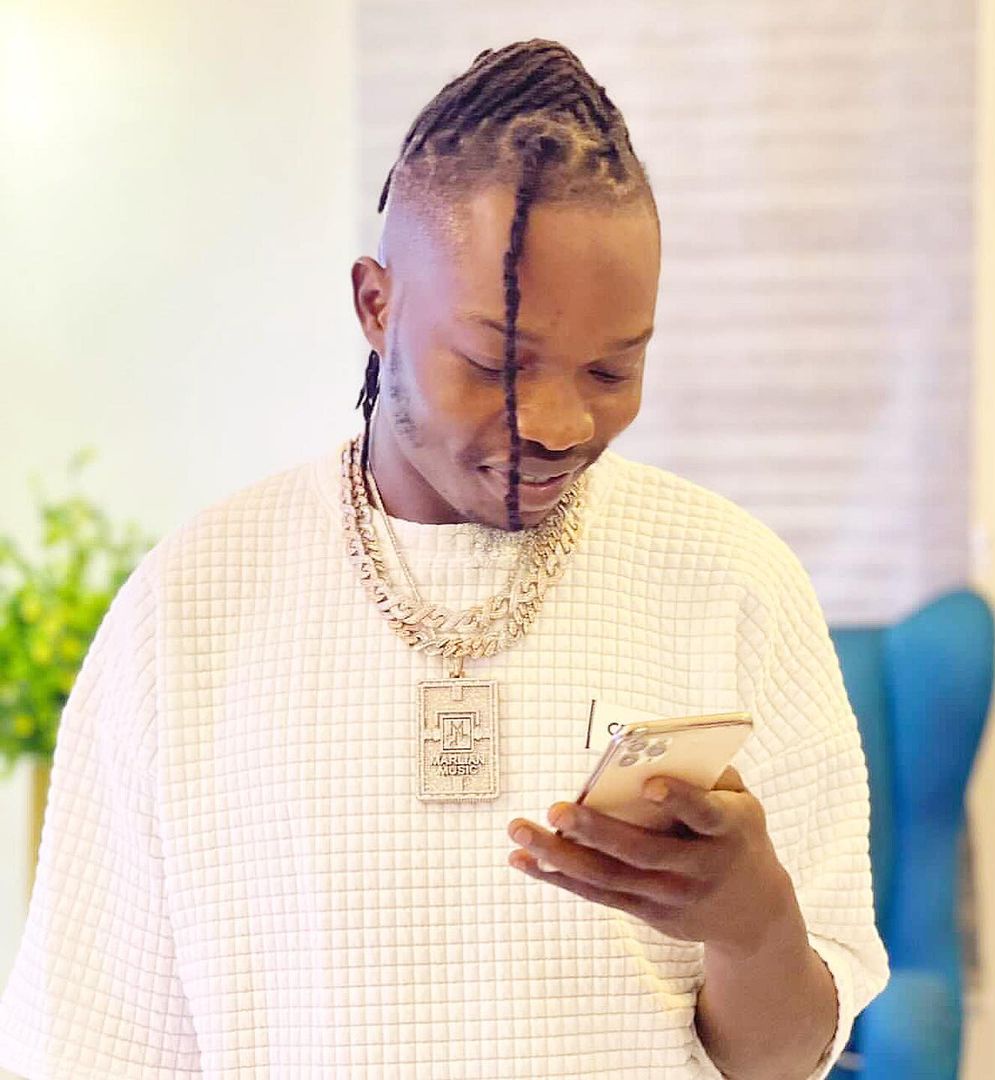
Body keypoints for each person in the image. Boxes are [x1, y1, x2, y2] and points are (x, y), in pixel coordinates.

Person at [0, 39, 888, 1079]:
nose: (560, 423)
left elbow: (784, 1062)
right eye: (496, 363)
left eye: (611, 370)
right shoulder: (189, 607)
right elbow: (91, 1046)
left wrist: (753, 927)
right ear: (376, 305)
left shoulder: (733, 580)